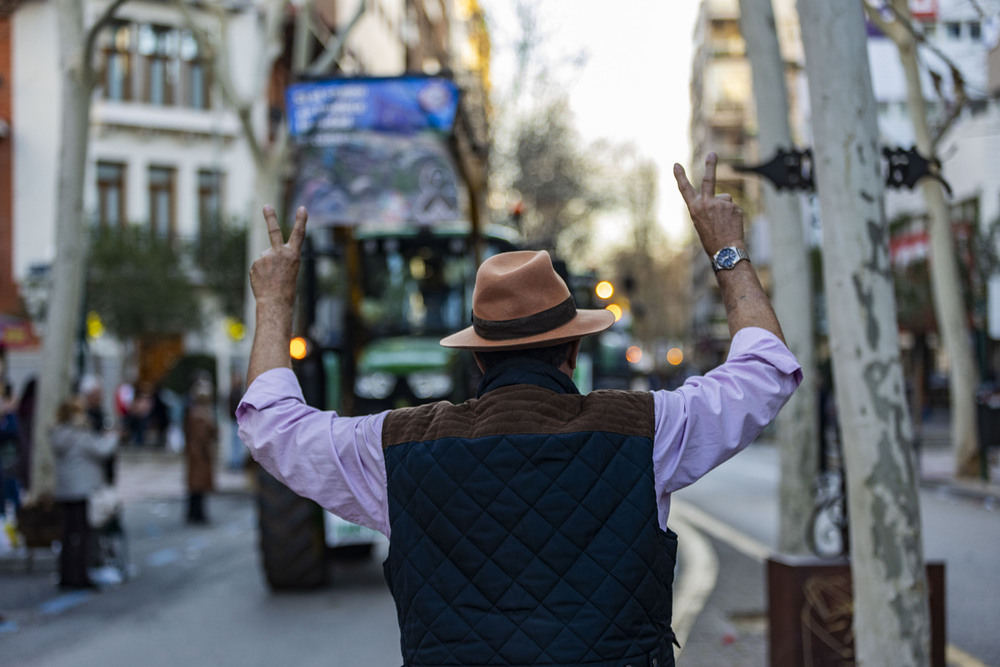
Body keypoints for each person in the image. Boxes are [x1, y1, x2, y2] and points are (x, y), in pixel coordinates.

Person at [236, 153, 802, 666]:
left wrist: (275, 302)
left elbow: (270, 422)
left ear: (478, 359)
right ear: (574, 350)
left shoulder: (394, 450)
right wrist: (726, 252)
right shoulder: (647, 431)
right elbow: (765, 371)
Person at [52, 394, 117, 589]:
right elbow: (102, 450)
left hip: (65, 491)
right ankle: (80, 575)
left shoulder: (58, 434)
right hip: (81, 490)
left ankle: (65, 574)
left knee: (67, 533)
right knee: (82, 535)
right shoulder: (80, 434)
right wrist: (114, 437)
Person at [183, 378, 217, 524]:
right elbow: (204, 432)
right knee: (197, 486)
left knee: (197, 486)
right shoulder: (199, 413)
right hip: (199, 453)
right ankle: (196, 513)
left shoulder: (198, 411)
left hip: (199, 452)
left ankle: (195, 513)